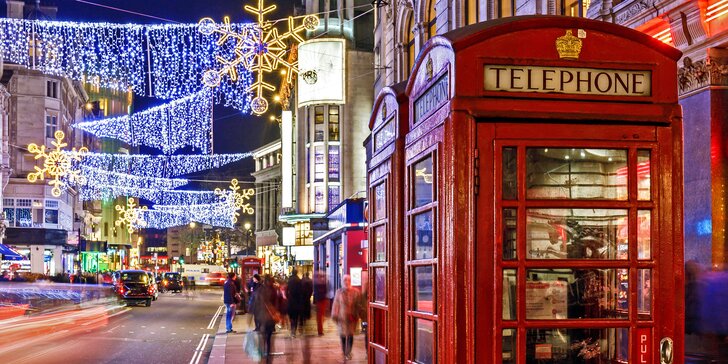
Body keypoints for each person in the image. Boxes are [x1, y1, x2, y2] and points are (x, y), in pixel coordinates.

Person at [332, 275, 360, 361]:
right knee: (343, 335)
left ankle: (349, 352)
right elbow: (336, 304)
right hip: (342, 317)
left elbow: (358, 305)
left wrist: (357, 315)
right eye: (345, 280)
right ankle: (345, 352)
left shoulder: (356, 292)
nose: (346, 282)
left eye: (348, 280)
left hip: (352, 317)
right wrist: (335, 315)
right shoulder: (339, 292)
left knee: (350, 335)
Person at [251, 275, 278, 363]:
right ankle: (268, 357)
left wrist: (251, 315)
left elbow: (254, 304)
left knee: (262, 337)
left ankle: (262, 355)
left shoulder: (259, 290)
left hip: (261, 317)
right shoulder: (274, 290)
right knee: (269, 339)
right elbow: (277, 304)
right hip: (270, 318)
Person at [286, 269, 304, 337]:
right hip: (297, 300)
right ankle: (294, 331)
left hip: (291, 300)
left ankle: (292, 328)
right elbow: (301, 291)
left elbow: (287, 290)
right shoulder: (299, 280)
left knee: (291, 315)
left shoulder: (289, 280)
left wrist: (288, 296)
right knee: (296, 316)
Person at [313, 271, 330, 336]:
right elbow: (326, 290)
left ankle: (320, 330)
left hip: (319, 300)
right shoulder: (322, 283)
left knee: (320, 316)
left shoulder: (316, 283)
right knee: (320, 316)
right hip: (322, 300)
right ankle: (320, 330)